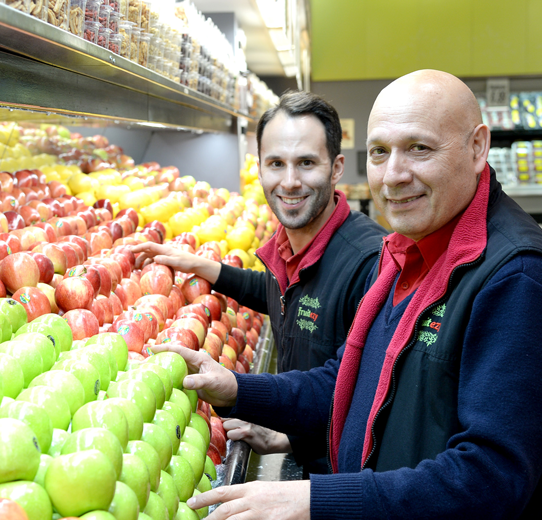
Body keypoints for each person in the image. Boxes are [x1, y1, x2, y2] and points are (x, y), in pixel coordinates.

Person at [156, 69, 542, 520]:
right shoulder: (409, 251)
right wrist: (239, 389)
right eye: (380, 152)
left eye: (419, 149)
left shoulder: (519, 279)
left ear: (478, 148)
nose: (393, 175)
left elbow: (490, 478)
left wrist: (317, 499)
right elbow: (348, 379)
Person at [131, 91, 386, 460]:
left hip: (344, 484)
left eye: (307, 163)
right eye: (276, 163)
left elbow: (350, 383)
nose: (290, 181)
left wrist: (238, 388)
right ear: (260, 168)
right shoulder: (290, 244)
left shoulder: (370, 262)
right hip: (312, 453)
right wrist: (203, 267)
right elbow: (275, 292)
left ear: (336, 168)